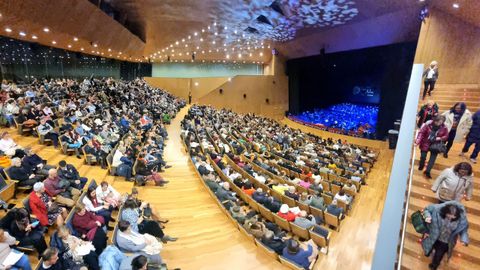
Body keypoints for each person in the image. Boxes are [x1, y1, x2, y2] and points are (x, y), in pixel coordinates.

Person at [422, 201, 469, 270]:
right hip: (433, 235)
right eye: (449, 214)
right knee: (429, 246)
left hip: (445, 241)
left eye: (454, 215)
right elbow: (426, 210)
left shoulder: (461, 220)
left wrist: (464, 239)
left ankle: (434, 265)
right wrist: (427, 217)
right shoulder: (436, 210)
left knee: (438, 255)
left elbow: (463, 230)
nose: (451, 216)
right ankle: (428, 252)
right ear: (445, 212)